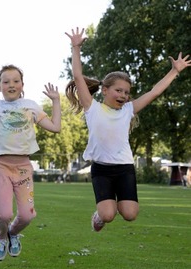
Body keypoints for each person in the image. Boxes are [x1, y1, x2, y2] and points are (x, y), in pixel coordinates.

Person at [65, 27, 191, 232]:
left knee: (130, 214)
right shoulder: (92, 108)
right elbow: (78, 76)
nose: (123, 95)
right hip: (102, 169)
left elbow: (154, 92)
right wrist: (76, 48)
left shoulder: (128, 110)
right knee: (108, 215)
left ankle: (111, 208)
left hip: (124, 168)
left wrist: (174, 71)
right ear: (105, 90)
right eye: (118, 90)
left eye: (126, 92)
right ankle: (99, 215)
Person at [0, 67, 61, 260]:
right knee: (3, 214)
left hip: (24, 168)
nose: (11, 85)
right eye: (6, 81)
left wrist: (56, 101)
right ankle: (0, 236)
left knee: (27, 216)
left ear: (22, 85)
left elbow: (56, 127)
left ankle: (13, 233)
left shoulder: (30, 105)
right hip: (1, 167)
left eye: (16, 81)